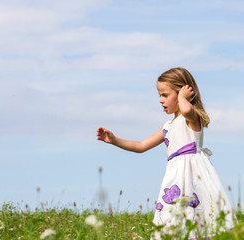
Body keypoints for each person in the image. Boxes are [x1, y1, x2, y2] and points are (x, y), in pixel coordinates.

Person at [97, 67, 235, 239]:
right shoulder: (167, 126)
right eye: (159, 95)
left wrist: (184, 98)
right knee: (171, 218)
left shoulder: (192, 117)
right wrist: (115, 140)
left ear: (181, 92)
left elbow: (186, 110)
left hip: (192, 178)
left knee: (196, 216)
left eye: (165, 95)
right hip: (175, 179)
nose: (161, 100)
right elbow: (141, 145)